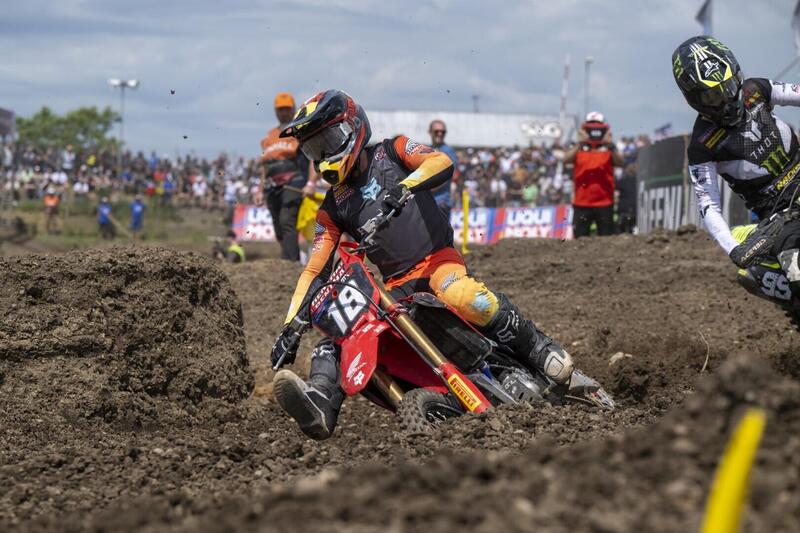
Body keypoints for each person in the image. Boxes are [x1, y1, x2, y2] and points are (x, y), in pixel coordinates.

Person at [269, 90, 574, 440]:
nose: (324, 156)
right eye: (314, 149)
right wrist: (291, 325)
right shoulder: (332, 208)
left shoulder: (392, 151)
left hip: (437, 263)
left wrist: (405, 187)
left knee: (461, 295)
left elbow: (440, 162)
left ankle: (537, 347)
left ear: (352, 128)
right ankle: (321, 402)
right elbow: (314, 269)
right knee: (340, 339)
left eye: (327, 142)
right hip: (396, 289)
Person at [672, 36, 800, 287]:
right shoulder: (702, 144)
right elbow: (709, 206)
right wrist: (732, 248)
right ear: (694, 99)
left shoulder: (756, 89)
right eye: (712, 96)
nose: (726, 99)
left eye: (729, 86)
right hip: (778, 215)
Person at [260, 92, 315, 262]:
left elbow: (313, 158)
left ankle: (290, 264)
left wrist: (311, 183)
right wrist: (260, 190)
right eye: (280, 109)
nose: (284, 112)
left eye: (287, 109)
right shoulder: (269, 136)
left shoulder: (300, 131)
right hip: (271, 185)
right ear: (276, 111)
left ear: (293, 109)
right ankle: (289, 261)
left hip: (293, 181)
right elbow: (264, 165)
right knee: (278, 226)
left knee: (286, 221)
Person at [563, 112, 623, 237]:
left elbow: (620, 163)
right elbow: (565, 160)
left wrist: (610, 145)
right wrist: (580, 143)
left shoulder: (609, 149)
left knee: (607, 239)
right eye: (591, 127)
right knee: (580, 239)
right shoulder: (579, 148)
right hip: (581, 203)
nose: (595, 130)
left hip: (605, 203)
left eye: (598, 127)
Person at [428, 119, 458, 211]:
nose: (440, 134)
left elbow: (447, 176)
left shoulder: (448, 151)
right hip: (428, 200)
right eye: (436, 131)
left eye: (443, 132)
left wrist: (428, 189)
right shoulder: (427, 149)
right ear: (430, 132)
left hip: (441, 202)